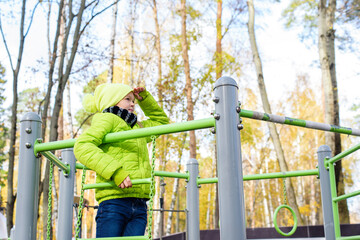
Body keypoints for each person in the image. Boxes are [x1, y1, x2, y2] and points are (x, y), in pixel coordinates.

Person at [74, 83, 169, 238]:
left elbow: (162, 123)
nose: (133, 103)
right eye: (127, 99)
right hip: (114, 200)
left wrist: (145, 99)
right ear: (112, 101)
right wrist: (116, 171)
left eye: (133, 100)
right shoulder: (108, 119)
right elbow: (82, 146)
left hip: (139, 203)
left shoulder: (136, 127)